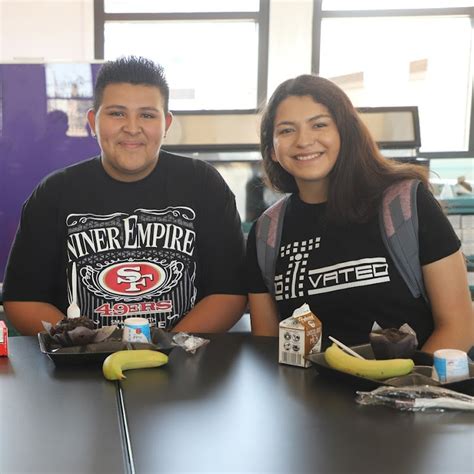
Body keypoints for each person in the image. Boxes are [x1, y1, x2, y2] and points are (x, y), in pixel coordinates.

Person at [3, 56, 247, 335]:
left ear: (166, 123)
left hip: (187, 366)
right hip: (79, 370)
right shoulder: (53, 193)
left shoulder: (204, 184)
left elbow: (230, 292)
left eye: (147, 114)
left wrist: (169, 347)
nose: (132, 127)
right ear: (93, 121)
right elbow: (23, 298)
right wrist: (84, 345)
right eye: (117, 113)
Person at [246, 74, 474, 353]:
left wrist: (400, 391)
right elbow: (269, 345)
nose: (304, 141)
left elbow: (460, 325)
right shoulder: (265, 233)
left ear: (345, 132)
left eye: (319, 125)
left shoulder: (405, 204)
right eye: (286, 131)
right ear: (271, 150)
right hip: (306, 395)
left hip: (411, 388)